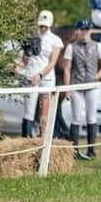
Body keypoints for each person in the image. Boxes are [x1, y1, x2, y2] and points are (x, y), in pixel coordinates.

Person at [61, 19, 101, 160]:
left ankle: (91, 150)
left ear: (90, 31)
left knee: (91, 116)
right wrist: (67, 88)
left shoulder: (98, 46)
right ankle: (75, 150)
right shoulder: (71, 47)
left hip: (92, 85)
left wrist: (96, 77)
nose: (84, 32)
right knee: (76, 117)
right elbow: (67, 69)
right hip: (77, 84)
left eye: (87, 29)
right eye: (82, 29)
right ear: (78, 31)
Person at [20, 10, 64, 138]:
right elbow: (25, 59)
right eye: (41, 24)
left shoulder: (55, 40)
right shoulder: (31, 37)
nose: (43, 27)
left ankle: (43, 138)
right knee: (29, 108)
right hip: (30, 75)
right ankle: (26, 139)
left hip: (46, 77)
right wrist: (16, 68)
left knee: (44, 109)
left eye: (45, 24)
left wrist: (40, 75)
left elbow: (52, 62)